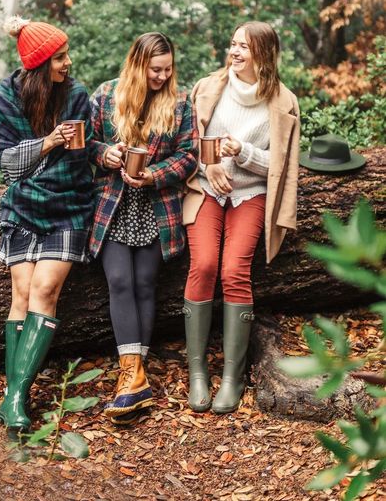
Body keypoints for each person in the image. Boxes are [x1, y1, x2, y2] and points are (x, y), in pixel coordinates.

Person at [183, 21, 300, 414]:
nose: (234, 53)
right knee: (203, 265)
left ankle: (231, 378)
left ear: (263, 55)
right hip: (206, 189)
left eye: (243, 48)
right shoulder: (208, 87)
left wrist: (243, 152)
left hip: (250, 193)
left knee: (234, 270)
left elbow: (284, 165)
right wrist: (208, 162)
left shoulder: (283, 102)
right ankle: (197, 373)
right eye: (232, 44)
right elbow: (187, 139)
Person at [0, 16, 94, 432]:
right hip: (22, 208)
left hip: (68, 206)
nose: (69, 63)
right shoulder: (1, 99)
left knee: (45, 289)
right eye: (60, 57)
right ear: (38, 65)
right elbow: (7, 162)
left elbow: (78, 158)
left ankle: (13, 399)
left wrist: (38, 162)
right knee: (21, 292)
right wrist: (48, 143)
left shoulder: (77, 95)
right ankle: (16, 398)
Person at [89, 32, 198, 422]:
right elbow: (89, 145)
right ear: (138, 64)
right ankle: (131, 378)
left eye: (168, 69)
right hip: (112, 206)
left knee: (145, 284)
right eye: (155, 69)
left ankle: (134, 379)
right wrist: (107, 154)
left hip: (157, 206)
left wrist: (153, 174)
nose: (162, 76)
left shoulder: (181, 102)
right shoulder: (105, 95)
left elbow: (189, 156)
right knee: (119, 281)